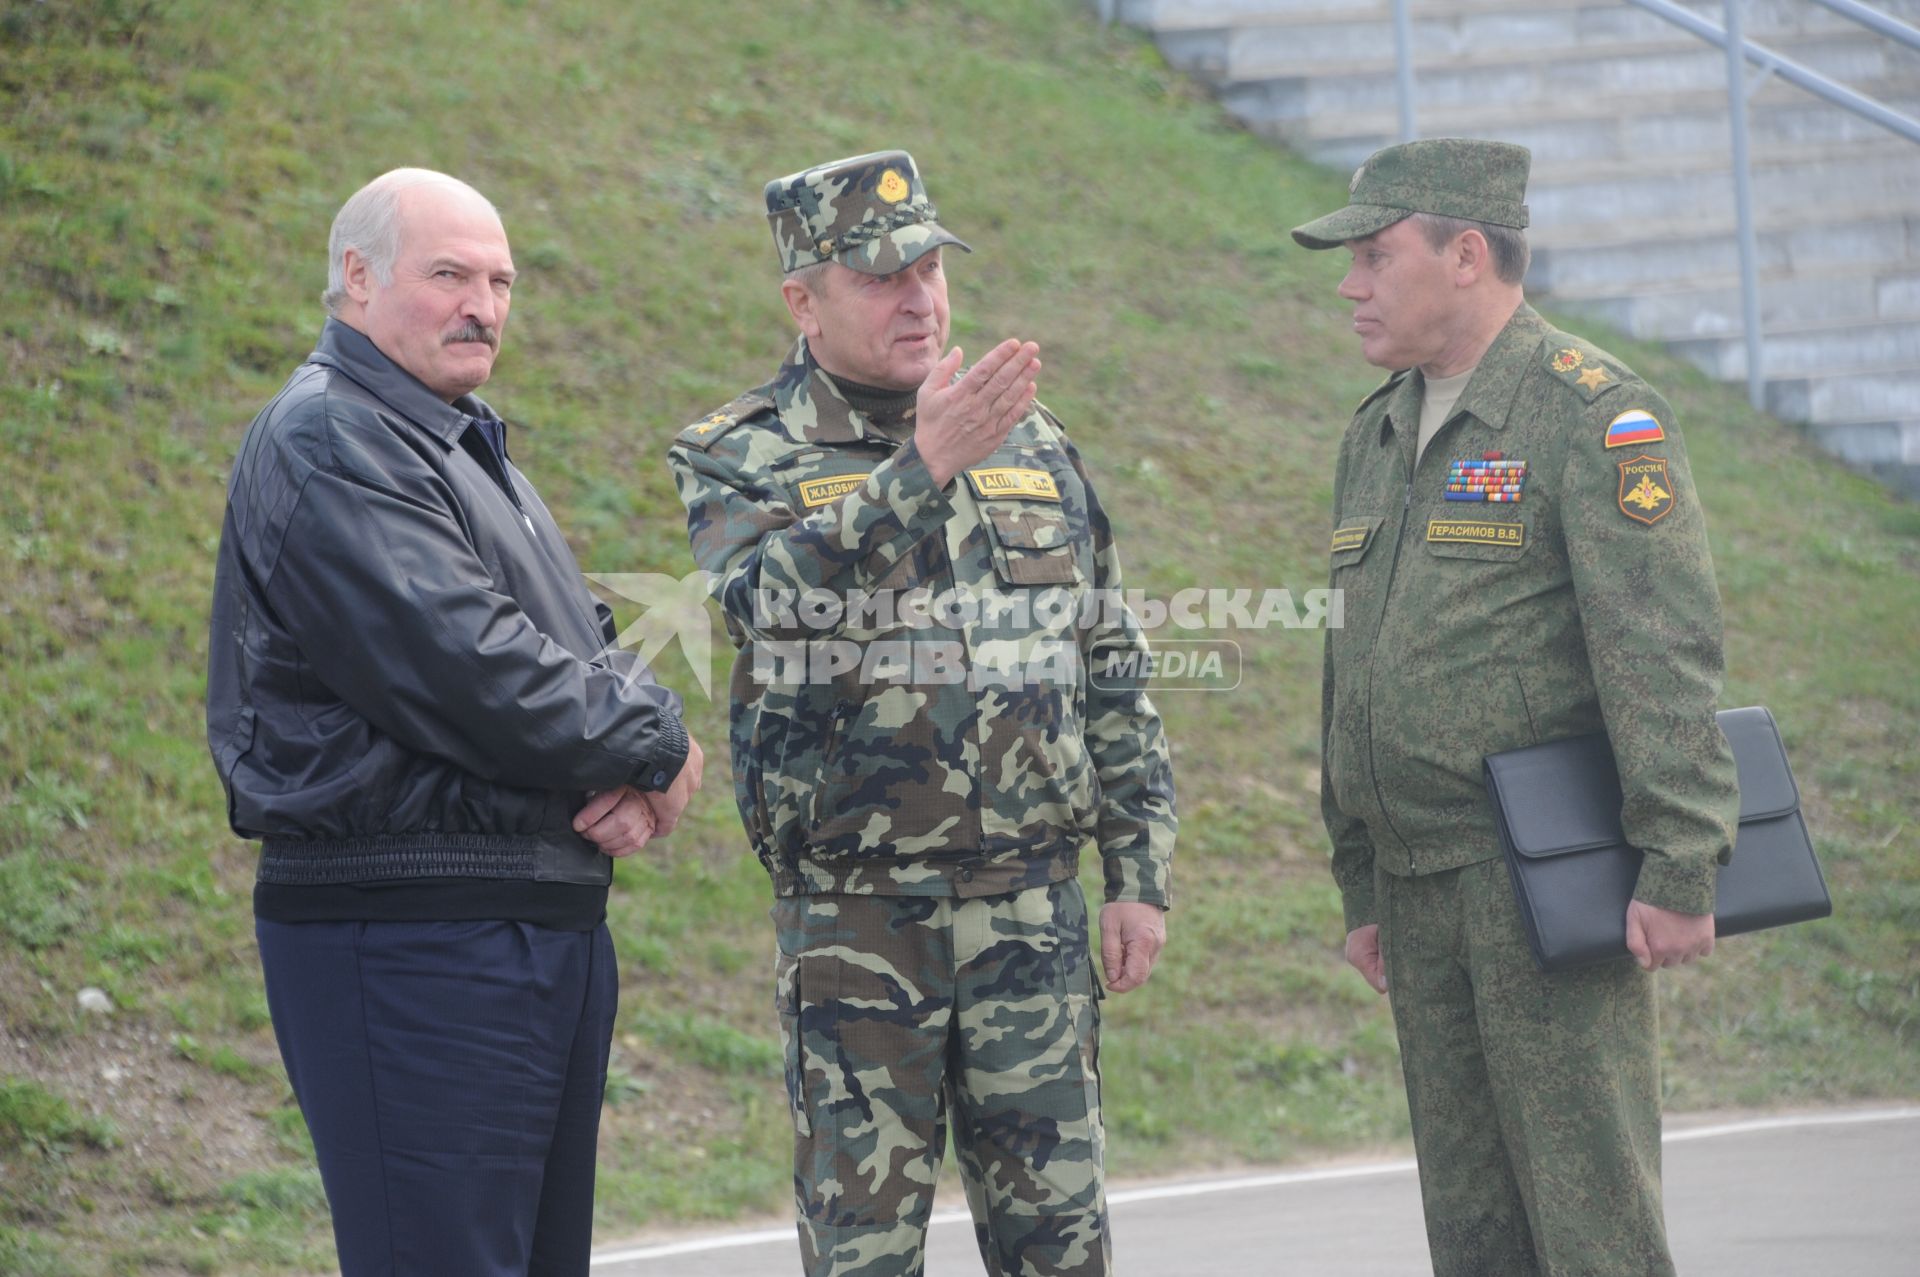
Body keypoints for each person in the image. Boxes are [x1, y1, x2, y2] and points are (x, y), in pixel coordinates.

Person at [666, 150, 1176, 1277]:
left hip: (1031, 921)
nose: (920, 296)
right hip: (858, 927)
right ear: (803, 299)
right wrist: (921, 468)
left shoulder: (1034, 444)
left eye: (930, 268)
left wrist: (1136, 871)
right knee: (863, 1256)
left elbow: (1109, 663)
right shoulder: (738, 452)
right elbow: (766, 607)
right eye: (881, 275)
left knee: (1062, 1251)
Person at [205, 167, 704, 1277]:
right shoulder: (332, 438)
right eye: (449, 275)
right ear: (356, 276)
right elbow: (468, 660)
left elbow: (574, 640)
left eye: (501, 279)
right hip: (412, 937)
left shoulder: (457, 440)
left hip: (523, 922)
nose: (482, 303)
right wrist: (653, 745)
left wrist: (636, 739)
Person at [1296, 137, 1741, 1276]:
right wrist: (1363, 873)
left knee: (1590, 1223)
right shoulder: (1379, 428)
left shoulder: (1592, 416)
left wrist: (1682, 860)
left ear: (1466, 254)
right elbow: (1352, 666)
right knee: (1475, 1232)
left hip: (1544, 880)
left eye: (1375, 255)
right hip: (1421, 882)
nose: (1350, 283)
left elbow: (1660, 645)